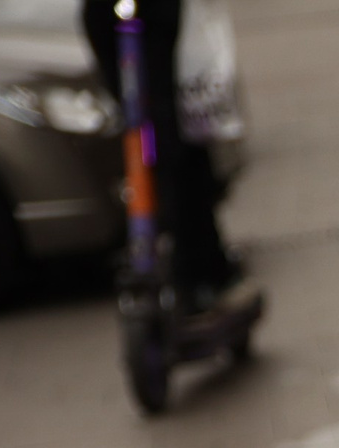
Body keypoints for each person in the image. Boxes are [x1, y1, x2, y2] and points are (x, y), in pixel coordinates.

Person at [80, 0, 240, 309]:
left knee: (170, 142)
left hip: (151, 13)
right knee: (137, 129)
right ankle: (164, 248)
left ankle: (199, 268)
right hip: (109, 12)